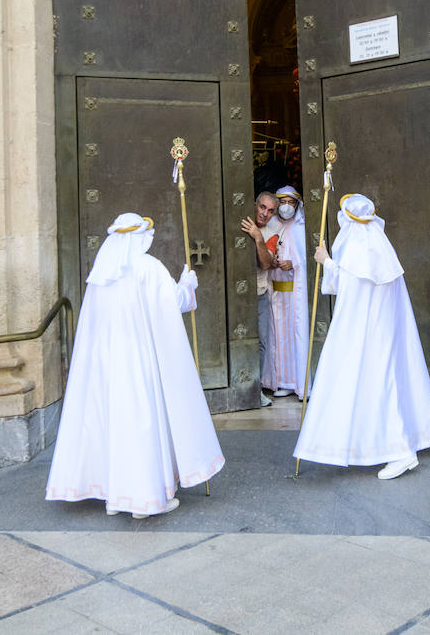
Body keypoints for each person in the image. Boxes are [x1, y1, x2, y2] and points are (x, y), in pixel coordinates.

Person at [45, 212, 224, 518]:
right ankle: (145, 499)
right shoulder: (148, 267)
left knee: (112, 423)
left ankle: (115, 497)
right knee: (141, 421)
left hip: (105, 362)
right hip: (138, 359)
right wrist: (187, 284)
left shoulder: (100, 274)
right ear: (139, 237)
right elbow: (173, 304)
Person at [293, 194, 430, 479]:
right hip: (382, 331)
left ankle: (400, 452)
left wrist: (325, 261)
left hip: (366, 334)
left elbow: (347, 287)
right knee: (383, 385)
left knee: (380, 386)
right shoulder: (379, 248)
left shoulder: (357, 251)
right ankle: (389, 446)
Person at [265, 186, 309, 399]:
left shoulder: (302, 228)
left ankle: (300, 382)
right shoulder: (273, 225)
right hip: (276, 292)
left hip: (295, 294)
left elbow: (308, 258)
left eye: (291, 202)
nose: (286, 206)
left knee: (295, 335)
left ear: (297, 205)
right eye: (282, 202)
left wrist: (294, 263)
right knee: (278, 338)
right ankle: (282, 381)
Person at [240, 191, 281, 403]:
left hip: (260, 292)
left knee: (261, 342)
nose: (265, 213)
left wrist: (258, 237)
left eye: (270, 211)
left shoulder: (272, 233)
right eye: (262, 207)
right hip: (237, 295)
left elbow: (266, 263)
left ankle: (254, 390)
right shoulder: (239, 218)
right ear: (255, 205)